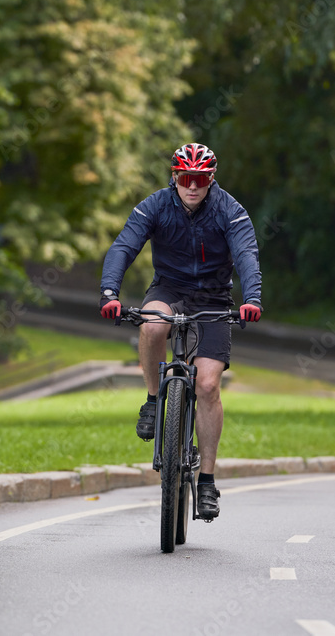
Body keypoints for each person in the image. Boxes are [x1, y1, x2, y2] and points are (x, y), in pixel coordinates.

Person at [98, 142, 263, 520]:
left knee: (207, 385)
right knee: (152, 325)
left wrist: (251, 299)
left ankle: (206, 481)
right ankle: (155, 401)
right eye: (186, 178)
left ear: (211, 179)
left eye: (201, 179)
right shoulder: (155, 205)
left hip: (214, 298)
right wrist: (110, 291)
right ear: (174, 177)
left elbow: (246, 256)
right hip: (168, 289)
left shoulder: (230, 212)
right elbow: (124, 246)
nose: (193, 186)